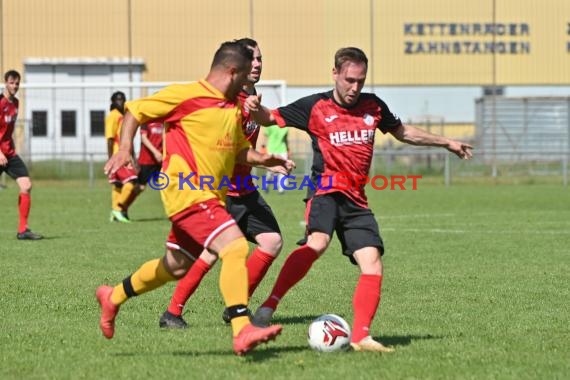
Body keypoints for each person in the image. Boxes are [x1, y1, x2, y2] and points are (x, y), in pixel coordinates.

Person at [245, 47, 473, 352]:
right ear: (335, 73)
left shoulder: (373, 106)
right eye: (349, 80)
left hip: (356, 199)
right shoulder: (315, 106)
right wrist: (255, 108)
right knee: (318, 243)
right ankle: (268, 306)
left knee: (372, 263)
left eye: (360, 81)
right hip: (325, 190)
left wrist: (446, 142)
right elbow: (271, 118)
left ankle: (361, 337)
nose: (355, 88)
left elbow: (402, 132)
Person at [97, 40, 295, 356]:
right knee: (235, 246)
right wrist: (124, 149)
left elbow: (237, 150)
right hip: (186, 192)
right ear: (232, 72)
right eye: (245, 75)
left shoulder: (231, 110)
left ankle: (114, 296)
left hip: (209, 198)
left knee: (174, 266)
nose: (249, 81)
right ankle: (241, 329)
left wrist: (267, 160)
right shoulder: (186, 95)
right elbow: (136, 110)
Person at [159, 38, 286, 329]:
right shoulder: (228, 100)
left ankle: (235, 308)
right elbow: (231, 149)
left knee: (272, 241)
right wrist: (266, 159)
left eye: (260, 59)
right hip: (224, 191)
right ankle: (172, 313)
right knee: (209, 253)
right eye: (251, 60)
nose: (256, 65)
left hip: (246, 190)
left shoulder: (251, 97)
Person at [0, 70, 43, 240]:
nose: (15, 86)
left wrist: (8, 148)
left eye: (17, 83)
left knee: (26, 184)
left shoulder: (16, 103)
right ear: (5, 82)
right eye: (11, 82)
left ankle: (23, 230)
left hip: (9, 154)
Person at [105, 91, 138, 223]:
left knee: (118, 185)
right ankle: (118, 209)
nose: (120, 102)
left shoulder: (122, 116)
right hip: (118, 156)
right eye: (117, 100)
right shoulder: (113, 116)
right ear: (112, 102)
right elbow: (110, 139)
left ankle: (114, 213)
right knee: (131, 182)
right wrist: (110, 158)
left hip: (125, 155)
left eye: (122, 99)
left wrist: (134, 158)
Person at [136, 120, 164, 195]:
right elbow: (144, 138)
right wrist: (155, 152)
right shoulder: (146, 122)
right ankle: (124, 204)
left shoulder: (162, 122)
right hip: (146, 160)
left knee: (165, 183)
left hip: (159, 160)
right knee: (141, 186)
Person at [263, 124, 289, 193]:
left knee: (283, 169)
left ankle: (281, 189)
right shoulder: (269, 125)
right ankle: (266, 185)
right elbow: (266, 137)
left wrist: (288, 149)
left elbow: (285, 139)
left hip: (282, 150)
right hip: (272, 150)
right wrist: (264, 148)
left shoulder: (285, 126)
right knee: (271, 170)